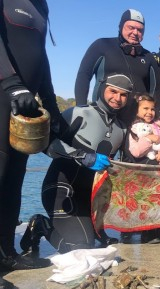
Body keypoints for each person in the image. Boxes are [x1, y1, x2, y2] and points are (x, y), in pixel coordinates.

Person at [0, 0, 61, 289]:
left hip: (24, 106)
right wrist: (11, 84)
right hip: (5, 94)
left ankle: (6, 251)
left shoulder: (38, 0)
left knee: (13, 179)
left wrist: (51, 106)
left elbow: (41, 57)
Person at [20, 74, 132, 254]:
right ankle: (40, 225)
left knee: (94, 246)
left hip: (88, 199)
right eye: (113, 91)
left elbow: (127, 167)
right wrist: (80, 155)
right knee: (79, 249)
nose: (117, 98)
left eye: (123, 95)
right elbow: (46, 143)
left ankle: (93, 231)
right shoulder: (79, 113)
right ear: (102, 89)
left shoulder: (122, 128)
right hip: (61, 190)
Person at [74, 8, 160, 126]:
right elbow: (83, 76)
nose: (135, 33)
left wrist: (159, 117)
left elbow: (156, 90)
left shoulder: (148, 57)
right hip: (103, 119)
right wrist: (81, 108)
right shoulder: (102, 45)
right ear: (121, 27)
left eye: (140, 30)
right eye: (131, 27)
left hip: (138, 122)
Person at [123, 93, 160, 244]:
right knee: (148, 202)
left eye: (152, 109)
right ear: (136, 110)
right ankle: (147, 233)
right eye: (145, 108)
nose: (149, 112)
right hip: (146, 172)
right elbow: (135, 151)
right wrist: (148, 139)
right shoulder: (134, 129)